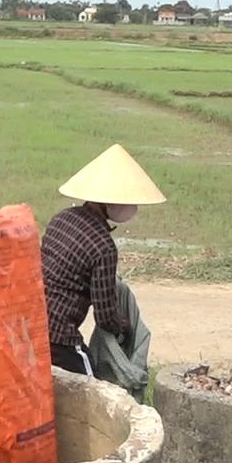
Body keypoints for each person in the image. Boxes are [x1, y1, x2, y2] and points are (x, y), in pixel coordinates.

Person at [41, 144, 164, 376]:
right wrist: (125, 326)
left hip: (30, 325)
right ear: (107, 202)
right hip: (59, 336)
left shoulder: (61, 219)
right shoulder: (103, 247)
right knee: (95, 391)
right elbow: (105, 315)